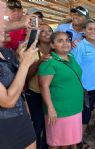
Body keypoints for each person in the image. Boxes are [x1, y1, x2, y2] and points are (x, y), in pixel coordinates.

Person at [0, 2, 37, 148]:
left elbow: (19, 89)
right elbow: (7, 101)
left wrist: (28, 117)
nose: (6, 23)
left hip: (22, 123)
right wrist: (25, 64)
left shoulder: (7, 53)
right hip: (5, 130)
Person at [38, 32, 84, 149]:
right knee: (56, 142)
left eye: (67, 40)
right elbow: (44, 86)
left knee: (70, 140)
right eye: (60, 40)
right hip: (59, 111)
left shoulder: (71, 58)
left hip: (75, 108)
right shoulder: (49, 62)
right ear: (52, 45)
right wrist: (50, 108)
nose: (65, 43)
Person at [71, 20, 95, 148]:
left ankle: (79, 140)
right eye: (90, 29)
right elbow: (74, 67)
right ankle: (75, 142)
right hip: (81, 88)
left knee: (87, 115)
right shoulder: (79, 46)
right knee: (79, 115)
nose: (93, 31)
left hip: (93, 87)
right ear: (84, 31)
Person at [26, 24, 53, 149]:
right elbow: (26, 76)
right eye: (43, 31)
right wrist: (39, 62)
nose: (47, 33)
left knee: (50, 126)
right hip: (35, 94)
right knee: (37, 125)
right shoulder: (32, 51)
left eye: (49, 30)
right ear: (37, 34)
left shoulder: (56, 50)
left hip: (52, 95)